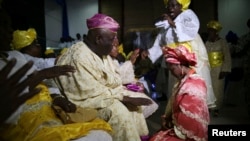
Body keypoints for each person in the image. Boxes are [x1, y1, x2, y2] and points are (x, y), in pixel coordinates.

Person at [0, 8, 113, 140]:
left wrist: (56, 97)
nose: (10, 31)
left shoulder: (16, 55)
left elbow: (43, 70)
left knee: (102, 133)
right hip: (25, 121)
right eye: (3, 25)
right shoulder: (81, 54)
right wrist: (42, 75)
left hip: (49, 109)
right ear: (98, 38)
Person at [55, 13, 154, 141]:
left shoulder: (100, 52)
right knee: (119, 113)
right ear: (98, 39)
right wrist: (123, 97)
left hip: (102, 95)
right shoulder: (79, 58)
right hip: (83, 101)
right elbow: (89, 93)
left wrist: (127, 95)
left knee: (135, 106)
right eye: (112, 39)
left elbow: (113, 79)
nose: (116, 44)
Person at [143, 0, 216, 109]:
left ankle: (193, 114)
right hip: (175, 62)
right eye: (168, 5)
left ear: (181, 6)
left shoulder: (188, 16)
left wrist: (173, 24)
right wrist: (149, 52)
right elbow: (161, 42)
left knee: (190, 89)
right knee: (176, 90)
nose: (170, 8)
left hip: (189, 59)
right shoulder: (167, 24)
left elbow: (189, 32)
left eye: (174, 5)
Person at [149, 45, 210, 141]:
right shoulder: (185, 79)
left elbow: (190, 122)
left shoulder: (193, 85)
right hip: (177, 124)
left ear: (180, 65)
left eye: (172, 69)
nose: (172, 73)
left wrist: (171, 123)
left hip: (188, 133)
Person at [109, 39, 159, 118]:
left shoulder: (114, 60)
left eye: (117, 46)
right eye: (114, 46)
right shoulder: (105, 61)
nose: (117, 49)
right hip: (111, 93)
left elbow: (120, 75)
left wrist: (135, 83)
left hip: (120, 88)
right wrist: (131, 61)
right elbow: (117, 78)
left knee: (144, 99)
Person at [205, 20, 232, 116]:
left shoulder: (222, 42)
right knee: (209, 88)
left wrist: (225, 70)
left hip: (218, 69)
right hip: (209, 69)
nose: (209, 32)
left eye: (211, 31)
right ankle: (209, 107)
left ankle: (217, 108)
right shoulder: (207, 43)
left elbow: (227, 56)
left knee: (218, 88)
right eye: (209, 31)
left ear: (216, 32)